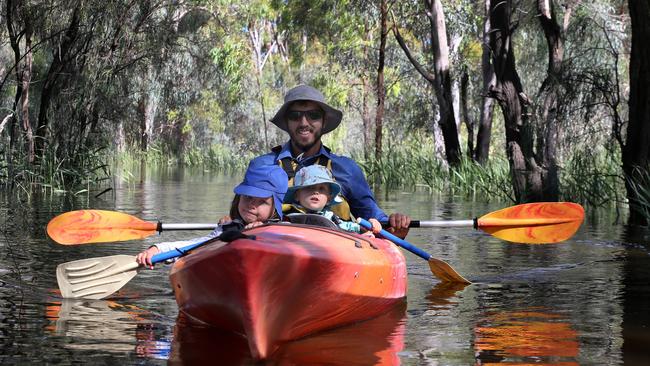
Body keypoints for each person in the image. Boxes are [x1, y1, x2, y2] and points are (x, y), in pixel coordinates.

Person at [248, 84, 411, 238]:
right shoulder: (261, 166)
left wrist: (394, 226)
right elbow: (244, 214)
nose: (304, 123)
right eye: (295, 116)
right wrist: (231, 220)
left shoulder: (347, 169)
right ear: (287, 122)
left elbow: (374, 219)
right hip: (276, 246)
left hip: (337, 249)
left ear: (324, 121)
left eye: (313, 115)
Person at [135, 164, 288, 268]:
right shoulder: (227, 230)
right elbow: (196, 245)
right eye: (247, 197)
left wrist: (264, 231)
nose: (252, 205)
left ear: (275, 208)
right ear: (238, 198)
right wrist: (157, 249)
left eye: (262, 201)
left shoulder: (285, 230)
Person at [284, 165, 382, 235]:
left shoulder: (332, 219)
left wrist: (368, 226)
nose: (316, 192)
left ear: (328, 199)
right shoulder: (288, 219)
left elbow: (352, 228)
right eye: (309, 187)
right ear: (297, 195)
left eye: (322, 189)